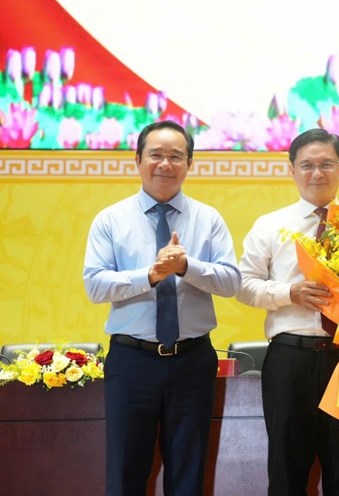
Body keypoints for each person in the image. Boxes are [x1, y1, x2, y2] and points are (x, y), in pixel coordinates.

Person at [83, 120, 241, 495]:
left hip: (192, 360)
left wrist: (186, 267)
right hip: (131, 360)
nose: (165, 164)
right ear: (137, 159)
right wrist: (150, 275)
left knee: (188, 473)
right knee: (125, 472)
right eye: (156, 155)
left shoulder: (208, 219)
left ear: (190, 163)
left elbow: (232, 282)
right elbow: (95, 284)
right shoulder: (111, 219)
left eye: (175, 156)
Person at [236, 128, 339, 495]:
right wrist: (287, 292)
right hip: (289, 359)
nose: (317, 173)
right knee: (287, 469)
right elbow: (243, 285)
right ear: (291, 168)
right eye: (307, 165)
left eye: (326, 164)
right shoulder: (270, 225)